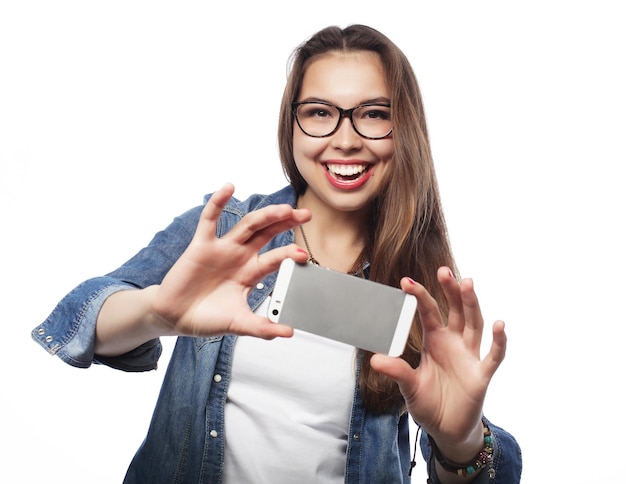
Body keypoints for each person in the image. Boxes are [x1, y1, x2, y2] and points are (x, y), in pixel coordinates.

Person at [32, 24, 522, 483]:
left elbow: (479, 463)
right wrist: (157, 312)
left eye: (374, 114)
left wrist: (460, 441)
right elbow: (82, 318)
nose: (346, 140)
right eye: (319, 113)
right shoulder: (227, 231)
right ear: (292, 125)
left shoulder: (419, 281)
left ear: (404, 129)